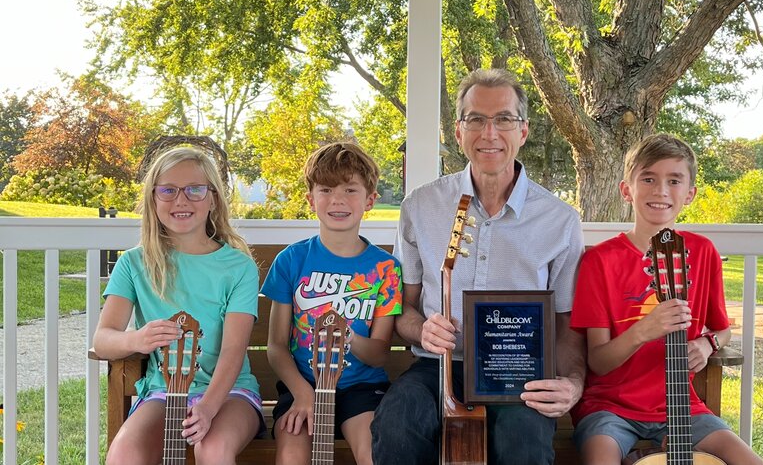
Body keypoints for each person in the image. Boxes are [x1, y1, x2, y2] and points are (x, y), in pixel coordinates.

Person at [371, 68, 586, 465]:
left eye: (504, 119)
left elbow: (567, 324)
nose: (490, 133)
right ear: (458, 132)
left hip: (517, 376)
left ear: (523, 131)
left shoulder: (559, 220)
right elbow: (403, 307)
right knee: (397, 425)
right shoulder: (421, 206)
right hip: (436, 368)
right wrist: (423, 329)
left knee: (523, 443)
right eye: (476, 119)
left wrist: (572, 383)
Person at [569, 134, 763, 465]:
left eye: (673, 180)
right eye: (648, 178)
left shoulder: (702, 253)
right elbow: (598, 362)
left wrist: (707, 346)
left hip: (682, 407)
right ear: (626, 189)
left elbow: (722, 330)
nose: (660, 190)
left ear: (689, 194)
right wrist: (644, 330)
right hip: (609, 409)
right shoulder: (600, 261)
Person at [93, 147, 262, 465]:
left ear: (212, 198)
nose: (181, 200)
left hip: (229, 393)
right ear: (153, 199)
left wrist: (208, 408)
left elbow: (233, 351)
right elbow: (103, 340)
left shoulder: (238, 267)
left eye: (195, 190)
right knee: (123, 454)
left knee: (212, 448)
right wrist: (136, 340)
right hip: (164, 390)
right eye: (168, 190)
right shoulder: (133, 263)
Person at [261, 142, 403, 465]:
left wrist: (349, 340)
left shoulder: (385, 269)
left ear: (370, 201)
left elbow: (380, 351)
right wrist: (302, 392)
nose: (338, 199)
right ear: (311, 200)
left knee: (372, 455)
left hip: (362, 389)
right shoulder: (291, 261)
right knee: (291, 456)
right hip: (303, 385)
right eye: (326, 189)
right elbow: (276, 346)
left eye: (350, 189)